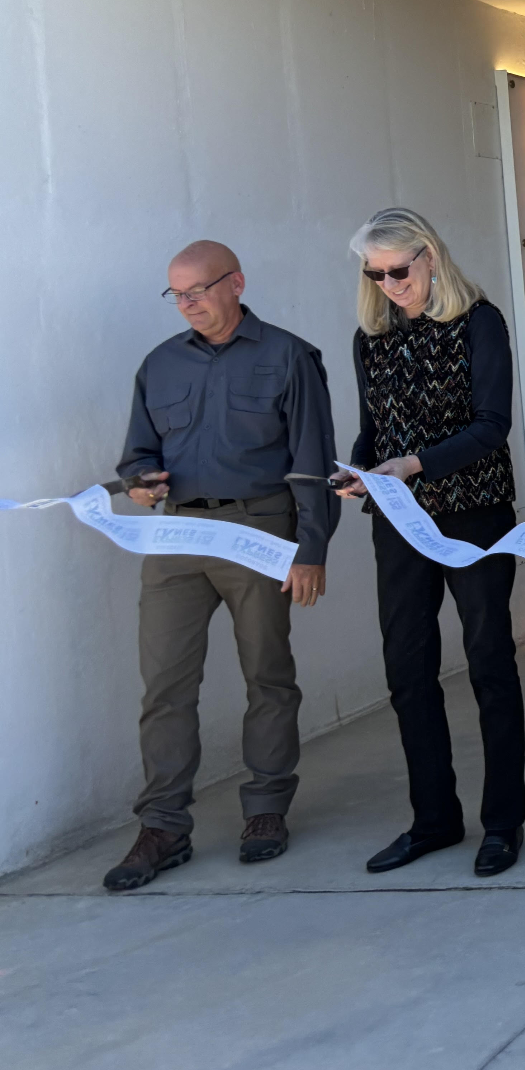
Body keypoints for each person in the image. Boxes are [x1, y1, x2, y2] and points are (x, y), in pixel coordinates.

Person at [103, 241, 337, 892]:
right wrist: (141, 483)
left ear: (235, 282)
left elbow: (313, 461)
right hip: (176, 532)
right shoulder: (159, 365)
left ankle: (265, 808)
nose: (188, 304)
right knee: (166, 685)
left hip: (259, 528)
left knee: (267, 671)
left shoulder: (288, 356)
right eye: (176, 295)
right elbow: (136, 455)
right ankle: (164, 826)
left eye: (199, 290)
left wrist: (312, 548)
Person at [336, 209, 525, 879]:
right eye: (375, 274)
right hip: (398, 522)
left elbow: (492, 425)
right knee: (407, 670)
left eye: (399, 269)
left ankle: (502, 822)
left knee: (488, 663)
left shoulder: (481, 322)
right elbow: (372, 431)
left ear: (430, 257)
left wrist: (415, 464)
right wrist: (357, 471)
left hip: (473, 515)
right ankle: (433, 819)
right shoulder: (372, 339)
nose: (389, 284)